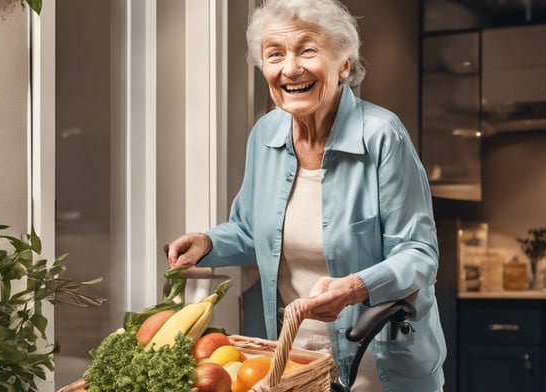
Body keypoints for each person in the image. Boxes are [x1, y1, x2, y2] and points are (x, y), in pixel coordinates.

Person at [165, 0, 446, 390]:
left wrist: (355, 288)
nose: (290, 68)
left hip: (377, 362)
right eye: (275, 54)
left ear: (344, 65)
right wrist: (208, 242)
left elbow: (419, 255)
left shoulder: (383, 135)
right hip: (295, 361)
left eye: (308, 50)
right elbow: (252, 231)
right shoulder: (266, 134)